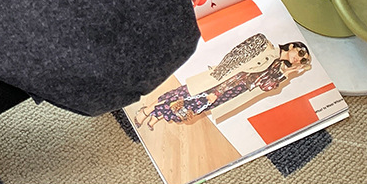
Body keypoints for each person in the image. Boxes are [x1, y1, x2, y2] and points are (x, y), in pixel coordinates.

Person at [133, 42, 311, 129]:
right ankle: (146, 111)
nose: (299, 58)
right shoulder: (265, 44)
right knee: (182, 96)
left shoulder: (278, 68)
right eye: (301, 52)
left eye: (303, 60)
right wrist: (218, 89)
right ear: (292, 46)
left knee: (191, 108)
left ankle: (157, 115)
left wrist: (287, 73)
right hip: (220, 83)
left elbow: (265, 87)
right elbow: (234, 58)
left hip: (233, 93)